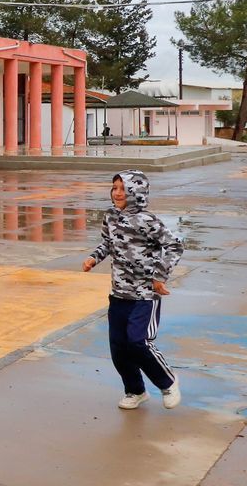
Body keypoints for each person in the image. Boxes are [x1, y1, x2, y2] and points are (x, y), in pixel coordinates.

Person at [83, 170, 184, 410]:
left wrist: (160, 276)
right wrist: (94, 258)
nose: (117, 193)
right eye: (114, 188)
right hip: (119, 293)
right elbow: (107, 243)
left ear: (136, 192)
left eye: (123, 189)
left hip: (144, 294)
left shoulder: (148, 220)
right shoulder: (110, 216)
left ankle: (168, 382)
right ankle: (135, 390)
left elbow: (175, 245)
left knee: (138, 342)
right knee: (119, 347)